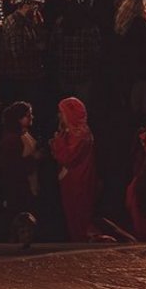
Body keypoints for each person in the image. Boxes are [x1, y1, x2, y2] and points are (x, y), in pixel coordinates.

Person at [50, 96, 99, 241]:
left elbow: (67, 157)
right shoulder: (75, 131)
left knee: (78, 214)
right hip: (74, 179)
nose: (60, 116)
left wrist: (57, 143)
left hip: (78, 182)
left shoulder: (81, 135)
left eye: (62, 112)